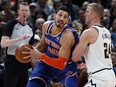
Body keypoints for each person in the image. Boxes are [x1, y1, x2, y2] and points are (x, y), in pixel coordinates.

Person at [24, 6, 79, 87]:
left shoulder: (67, 35)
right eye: (60, 15)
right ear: (54, 15)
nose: (61, 18)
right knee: (32, 84)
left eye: (65, 17)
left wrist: (40, 56)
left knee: (71, 84)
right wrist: (30, 52)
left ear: (67, 21)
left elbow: (61, 64)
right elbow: (42, 47)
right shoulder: (46, 25)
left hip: (66, 66)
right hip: (46, 63)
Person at [72, 3, 116, 87]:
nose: (85, 14)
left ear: (94, 14)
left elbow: (75, 57)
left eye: (87, 12)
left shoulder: (88, 32)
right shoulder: (107, 32)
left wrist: (76, 40)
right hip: (110, 76)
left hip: (99, 77)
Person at [0, 2, 35, 87]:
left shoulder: (30, 28)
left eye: (26, 10)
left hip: (24, 62)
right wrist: (20, 39)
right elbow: (3, 43)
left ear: (29, 12)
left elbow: (31, 47)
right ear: (18, 11)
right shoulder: (11, 24)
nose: (24, 12)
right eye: (22, 10)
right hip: (11, 61)